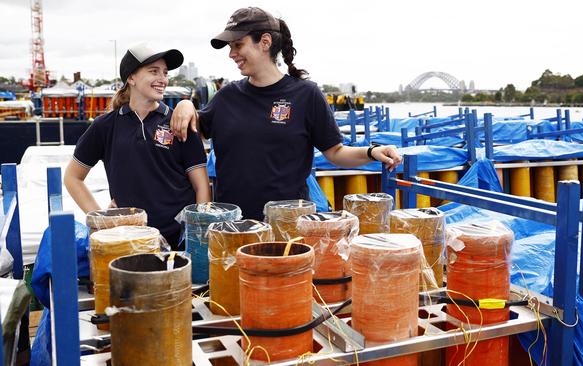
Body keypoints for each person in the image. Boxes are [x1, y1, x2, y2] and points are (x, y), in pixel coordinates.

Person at [171, 7, 401, 220]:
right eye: (230, 47)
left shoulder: (306, 94)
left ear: (265, 42)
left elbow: (335, 152)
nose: (232, 54)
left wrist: (373, 151)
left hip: (289, 224)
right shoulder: (227, 96)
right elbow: (193, 128)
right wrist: (185, 105)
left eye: (238, 45)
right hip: (235, 227)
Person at [65, 43, 211, 249]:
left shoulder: (179, 122)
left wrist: (197, 236)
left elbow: (201, 186)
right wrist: (102, 221)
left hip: (179, 241)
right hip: (129, 242)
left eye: (165, 73)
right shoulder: (105, 126)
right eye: (154, 71)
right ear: (131, 78)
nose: (162, 79)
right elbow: (72, 177)